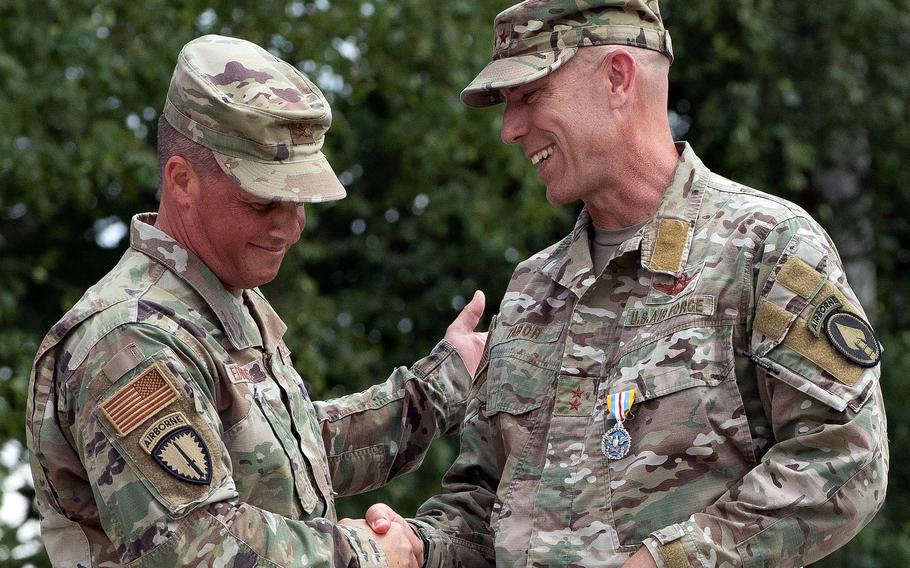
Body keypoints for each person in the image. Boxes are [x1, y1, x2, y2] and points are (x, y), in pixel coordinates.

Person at [357, 1, 889, 566]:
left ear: (616, 78)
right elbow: (485, 510)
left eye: (530, 95)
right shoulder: (533, 289)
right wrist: (417, 546)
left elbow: (845, 462)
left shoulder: (765, 247)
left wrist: (668, 561)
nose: (510, 130)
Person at [25, 34, 486, 568]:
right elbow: (197, 547)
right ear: (183, 181)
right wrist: (372, 553)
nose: (290, 227)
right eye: (264, 200)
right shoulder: (131, 340)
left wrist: (442, 385)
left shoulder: (215, 305)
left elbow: (286, 456)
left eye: (300, 200)